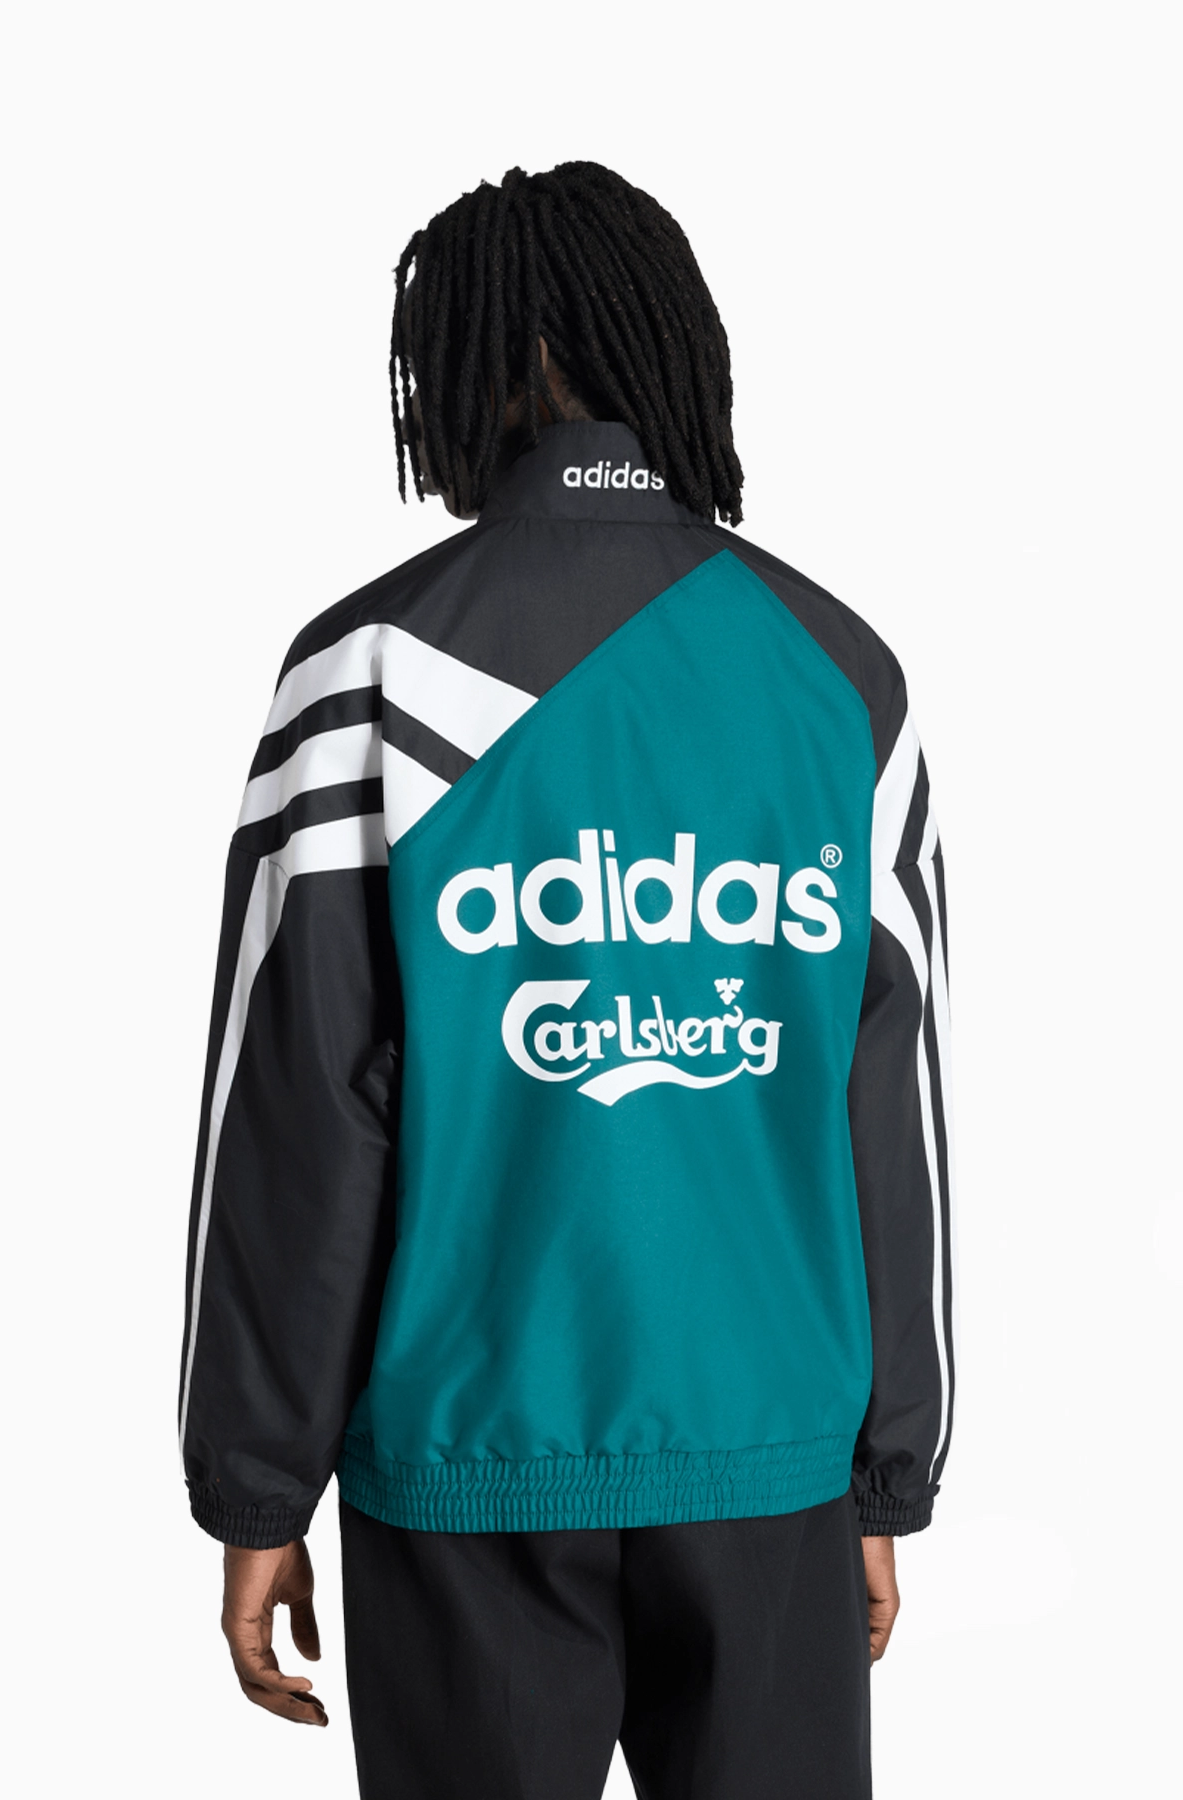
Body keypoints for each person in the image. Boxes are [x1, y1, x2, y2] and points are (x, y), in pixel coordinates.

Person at [179, 161, 955, 1800]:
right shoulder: (842, 678)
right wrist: (886, 1475)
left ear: (450, 375)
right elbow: (890, 1115)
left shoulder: (368, 673)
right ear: (678, 351)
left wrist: (256, 1485)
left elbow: (298, 1115)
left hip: (467, 1454)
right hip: (770, 1462)